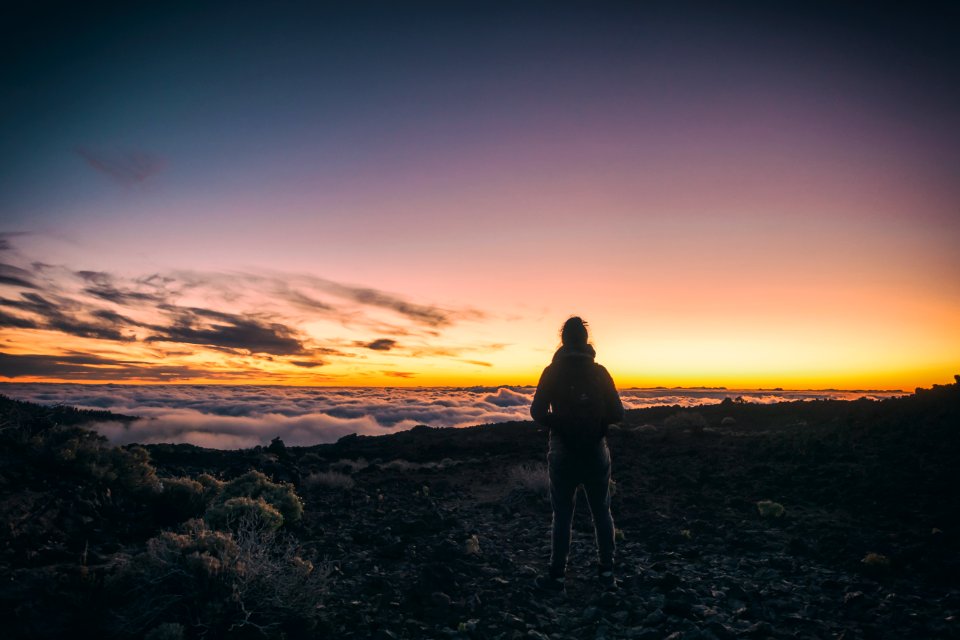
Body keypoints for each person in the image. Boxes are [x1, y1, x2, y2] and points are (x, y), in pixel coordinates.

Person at [530, 316, 624, 593]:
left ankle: (557, 578)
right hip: (596, 451)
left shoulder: (552, 372)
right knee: (601, 512)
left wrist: (560, 425)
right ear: (586, 342)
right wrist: (598, 426)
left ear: (563, 340)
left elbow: (537, 412)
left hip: (562, 452)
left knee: (562, 515)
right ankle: (607, 575)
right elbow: (618, 413)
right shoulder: (600, 372)